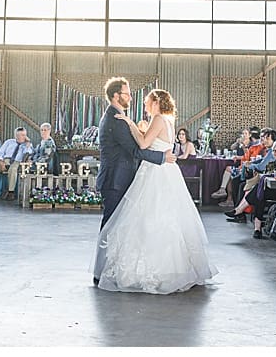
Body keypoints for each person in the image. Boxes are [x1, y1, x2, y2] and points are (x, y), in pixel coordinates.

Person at [92, 88, 217, 294]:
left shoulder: (156, 119)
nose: (142, 103)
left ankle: (133, 270)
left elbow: (141, 144)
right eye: (129, 94)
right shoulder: (165, 120)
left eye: (147, 101)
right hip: (162, 171)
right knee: (161, 218)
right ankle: (170, 267)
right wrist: (140, 130)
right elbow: (146, 143)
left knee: (147, 218)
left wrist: (131, 124)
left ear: (156, 101)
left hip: (154, 172)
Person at [94, 78, 175, 231]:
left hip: (121, 179)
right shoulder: (116, 119)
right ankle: (104, 255)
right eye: (127, 94)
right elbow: (136, 150)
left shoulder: (118, 117)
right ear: (116, 96)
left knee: (119, 226)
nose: (131, 97)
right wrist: (162, 157)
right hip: (115, 181)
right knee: (110, 226)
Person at [225, 139, 276, 236]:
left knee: (258, 190)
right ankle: (257, 229)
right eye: (275, 151)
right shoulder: (272, 164)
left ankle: (239, 210)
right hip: (272, 189)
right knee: (260, 195)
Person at [0, 127, 33, 201]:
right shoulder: (9, 142)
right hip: (6, 159)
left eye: (24, 135)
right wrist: (1, 161)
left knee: (13, 170)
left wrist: (27, 144)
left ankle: (11, 192)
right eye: (22, 135)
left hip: (17, 161)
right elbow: (0, 152)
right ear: (16, 136)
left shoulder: (27, 145)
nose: (24, 137)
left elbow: (29, 153)